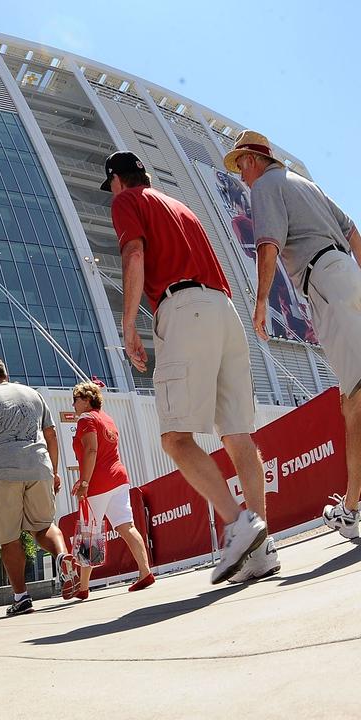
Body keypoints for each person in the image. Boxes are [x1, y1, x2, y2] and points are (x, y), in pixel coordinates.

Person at [105, 150, 275, 583]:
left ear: (118, 181)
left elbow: (134, 255)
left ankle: (239, 524)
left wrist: (128, 326)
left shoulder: (128, 200)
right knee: (238, 435)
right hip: (224, 310)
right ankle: (260, 549)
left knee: (176, 438)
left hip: (184, 309)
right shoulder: (181, 208)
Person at [228, 131, 361, 542]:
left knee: (354, 399)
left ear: (251, 161)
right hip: (347, 275)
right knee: (350, 396)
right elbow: (353, 232)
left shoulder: (265, 185)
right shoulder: (305, 182)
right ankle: (353, 503)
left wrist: (262, 300)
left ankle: (353, 506)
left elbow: (268, 245)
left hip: (324, 282)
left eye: (239, 169)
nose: (242, 179)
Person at [0, 356, 78, 617]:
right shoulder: (33, 395)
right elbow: (50, 434)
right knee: (44, 526)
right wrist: (54, 471)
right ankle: (62, 557)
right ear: (5, 373)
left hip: (4, 473)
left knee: (9, 537)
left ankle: (21, 597)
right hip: (40, 467)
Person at [69, 381, 155, 598]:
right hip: (119, 477)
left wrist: (85, 482)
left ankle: (83, 587)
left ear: (87, 400)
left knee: (89, 531)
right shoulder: (107, 418)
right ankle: (145, 572)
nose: (73, 404)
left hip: (98, 482)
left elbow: (91, 450)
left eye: (75, 399)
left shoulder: (86, 419)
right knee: (127, 526)